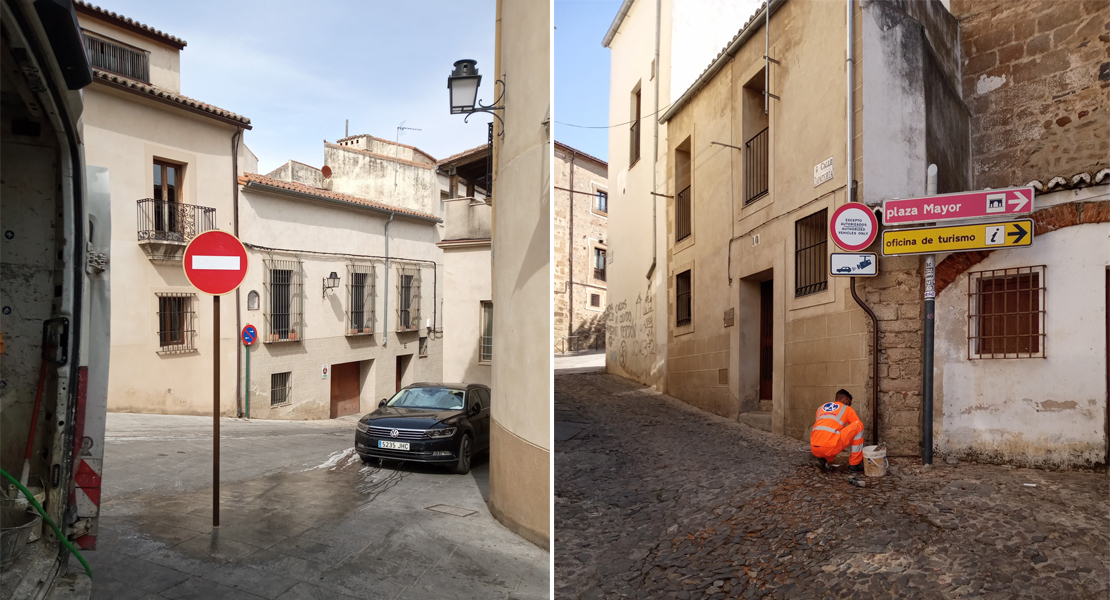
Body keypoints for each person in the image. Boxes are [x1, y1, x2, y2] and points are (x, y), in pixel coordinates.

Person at [810, 389, 865, 473]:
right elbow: (856, 426)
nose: (849, 405)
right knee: (859, 425)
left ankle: (823, 460)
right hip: (830, 446)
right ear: (844, 399)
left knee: (830, 436)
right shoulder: (846, 408)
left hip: (814, 447)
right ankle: (855, 464)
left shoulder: (821, 408)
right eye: (849, 403)